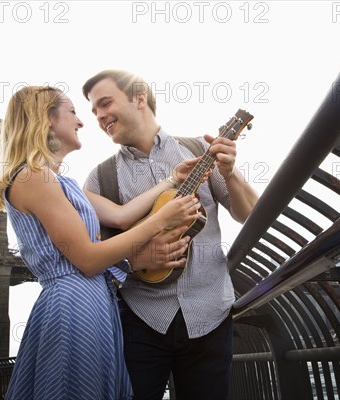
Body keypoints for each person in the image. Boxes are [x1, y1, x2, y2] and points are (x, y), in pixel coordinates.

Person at [0, 86, 202, 400]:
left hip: (93, 303)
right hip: (74, 305)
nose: (81, 122)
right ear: (47, 120)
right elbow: (88, 258)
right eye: (73, 112)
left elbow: (121, 216)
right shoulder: (34, 178)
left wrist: (171, 180)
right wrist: (161, 221)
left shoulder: (59, 182)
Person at [82, 70, 260, 400]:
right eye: (94, 112)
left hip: (210, 316)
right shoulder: (100, 178)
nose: (100, 116)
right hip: (139, 321)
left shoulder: (196, 151)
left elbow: (250, 214)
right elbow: (88, 255)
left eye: (105, 103)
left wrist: (230, 173)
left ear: (139, 98)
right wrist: (135, 259)